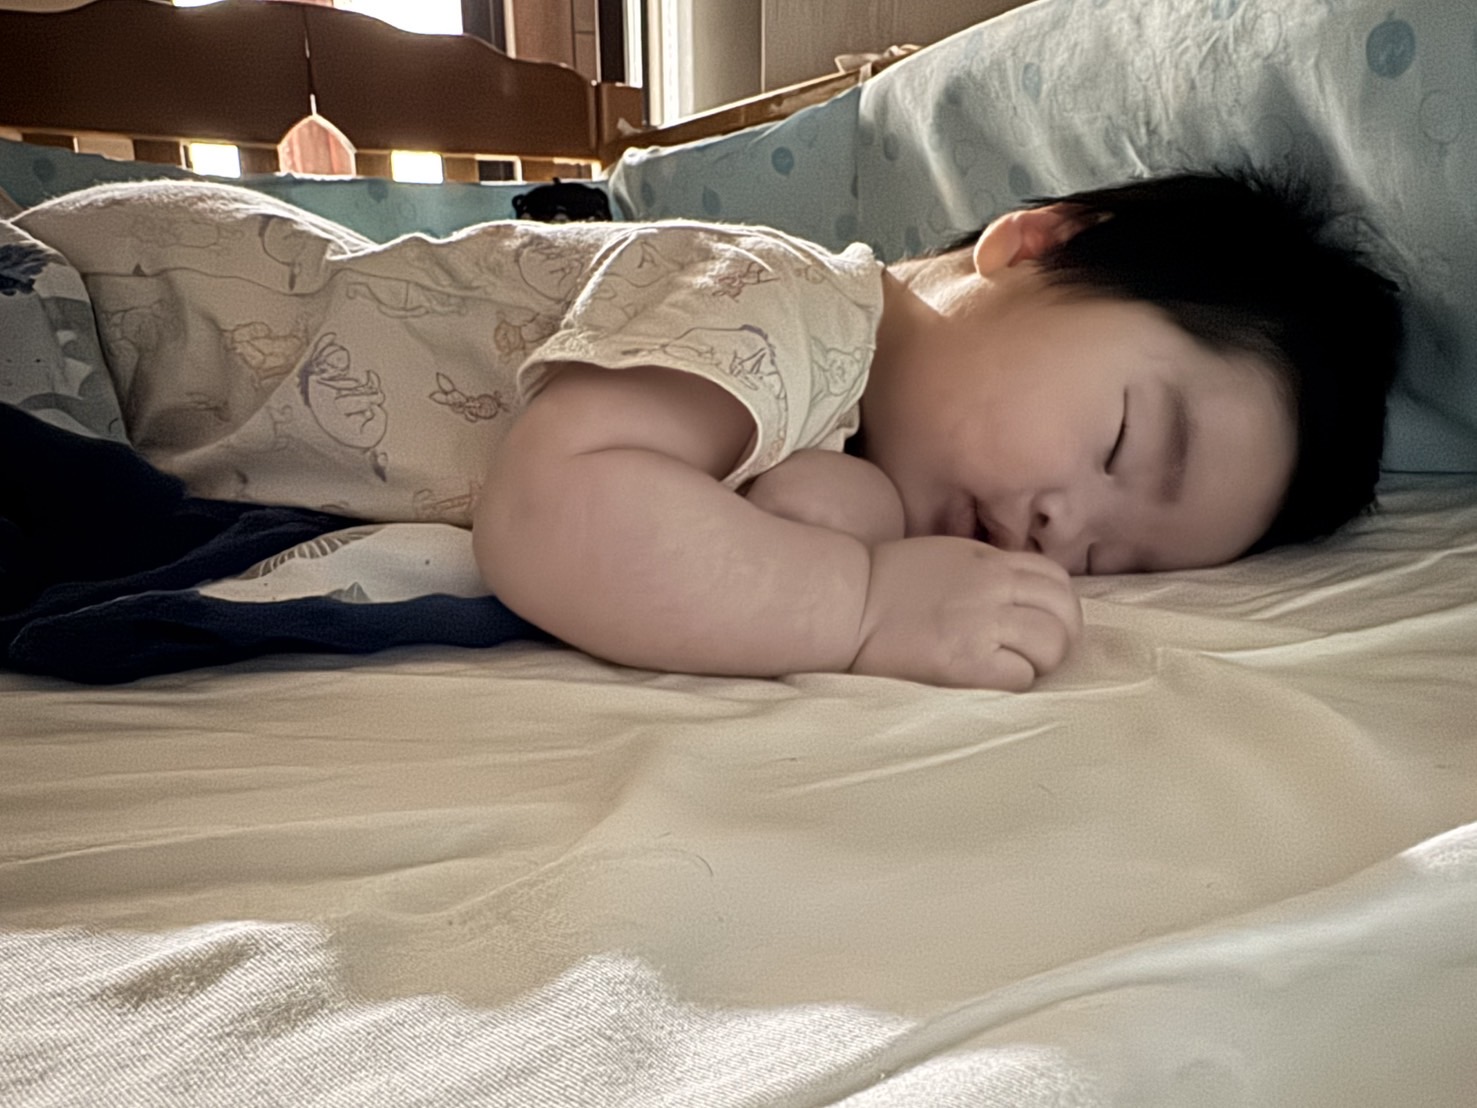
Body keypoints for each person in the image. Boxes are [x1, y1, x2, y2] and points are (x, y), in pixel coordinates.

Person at [15, 171, 1400, 690]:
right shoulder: (785, 300)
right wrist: (859, 604)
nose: (1063, 531)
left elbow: (725, 525)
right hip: (85, 310)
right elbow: (564, 513)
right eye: (1119, 447)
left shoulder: (839, 433)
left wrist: (851, 525)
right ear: (1042, 245)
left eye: (1120, 557)